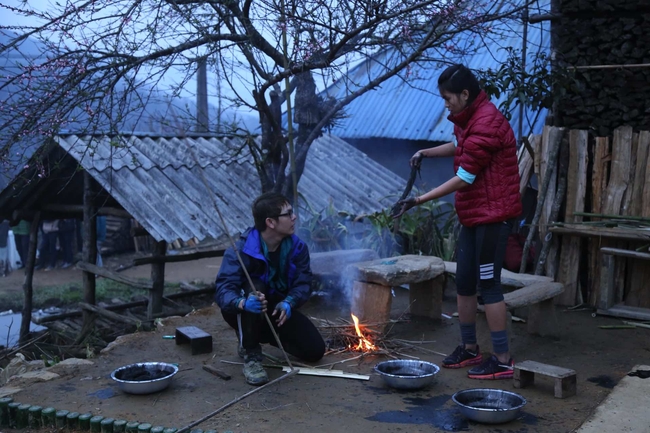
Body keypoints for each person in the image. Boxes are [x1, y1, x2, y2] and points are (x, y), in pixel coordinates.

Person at [394, 64, 522, 380]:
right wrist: (426, 151)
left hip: (494, 216)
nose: (445, 104)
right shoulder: (468, 118)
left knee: (489, 286)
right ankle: (469, 348)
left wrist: (418, 200)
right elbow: (459, 147)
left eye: (448, 98)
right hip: (473, 215)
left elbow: (464, 177)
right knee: (464, 281)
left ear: (465, 94)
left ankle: (503, 359)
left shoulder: (488, 122)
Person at [215, 192, 326, 385]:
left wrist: (289, 302)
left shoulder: (297, 248)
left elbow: (303, 283)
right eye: (288, 213)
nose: (294, 217)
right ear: (271, 222)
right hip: (244, 308)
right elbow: (223, 289)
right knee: (255, 288)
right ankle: (251, 356)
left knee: (315, 351)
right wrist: (241, 303)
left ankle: (251, 334)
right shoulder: (240, 250)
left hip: (276, 309)